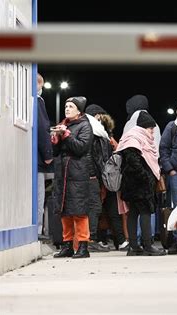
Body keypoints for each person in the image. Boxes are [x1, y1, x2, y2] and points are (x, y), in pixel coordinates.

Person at [116, 111, 166, 256]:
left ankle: (134, 247)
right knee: (144, 212)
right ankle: (148, 246)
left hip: (131, 184)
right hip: (139, 184)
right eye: (150, 129)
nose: (152, 132)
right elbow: (133, 160)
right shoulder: (135, 138)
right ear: (144, 127)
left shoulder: (131, 137)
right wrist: (146, 177)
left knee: (133, 213)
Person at [51, 96, 93, 259]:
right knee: (64, 210)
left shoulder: (85, 126)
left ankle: (83, 246)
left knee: (79, 210)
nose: (67, 109)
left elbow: (81, 148)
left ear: (79, 110)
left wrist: (67, 135)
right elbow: (56, 153)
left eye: (71, 106)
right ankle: (67, 244)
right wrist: (55, 140)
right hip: (62, 173)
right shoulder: (64, 125)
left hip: (78, 172)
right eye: (66, 106)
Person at [85, 104, 129, 251]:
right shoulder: (101, 134)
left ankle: (109, 239)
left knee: (106, 209)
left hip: (104, 176)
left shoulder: (103, 134)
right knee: (100, 209)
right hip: (102, 176)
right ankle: (97, 239)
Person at [36, 73, 53, 237]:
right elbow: (43, 128)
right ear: (39, 84)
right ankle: (38, 230)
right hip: (38, 161)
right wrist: (48, 154)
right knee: (38, 198)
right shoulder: (38, 101)